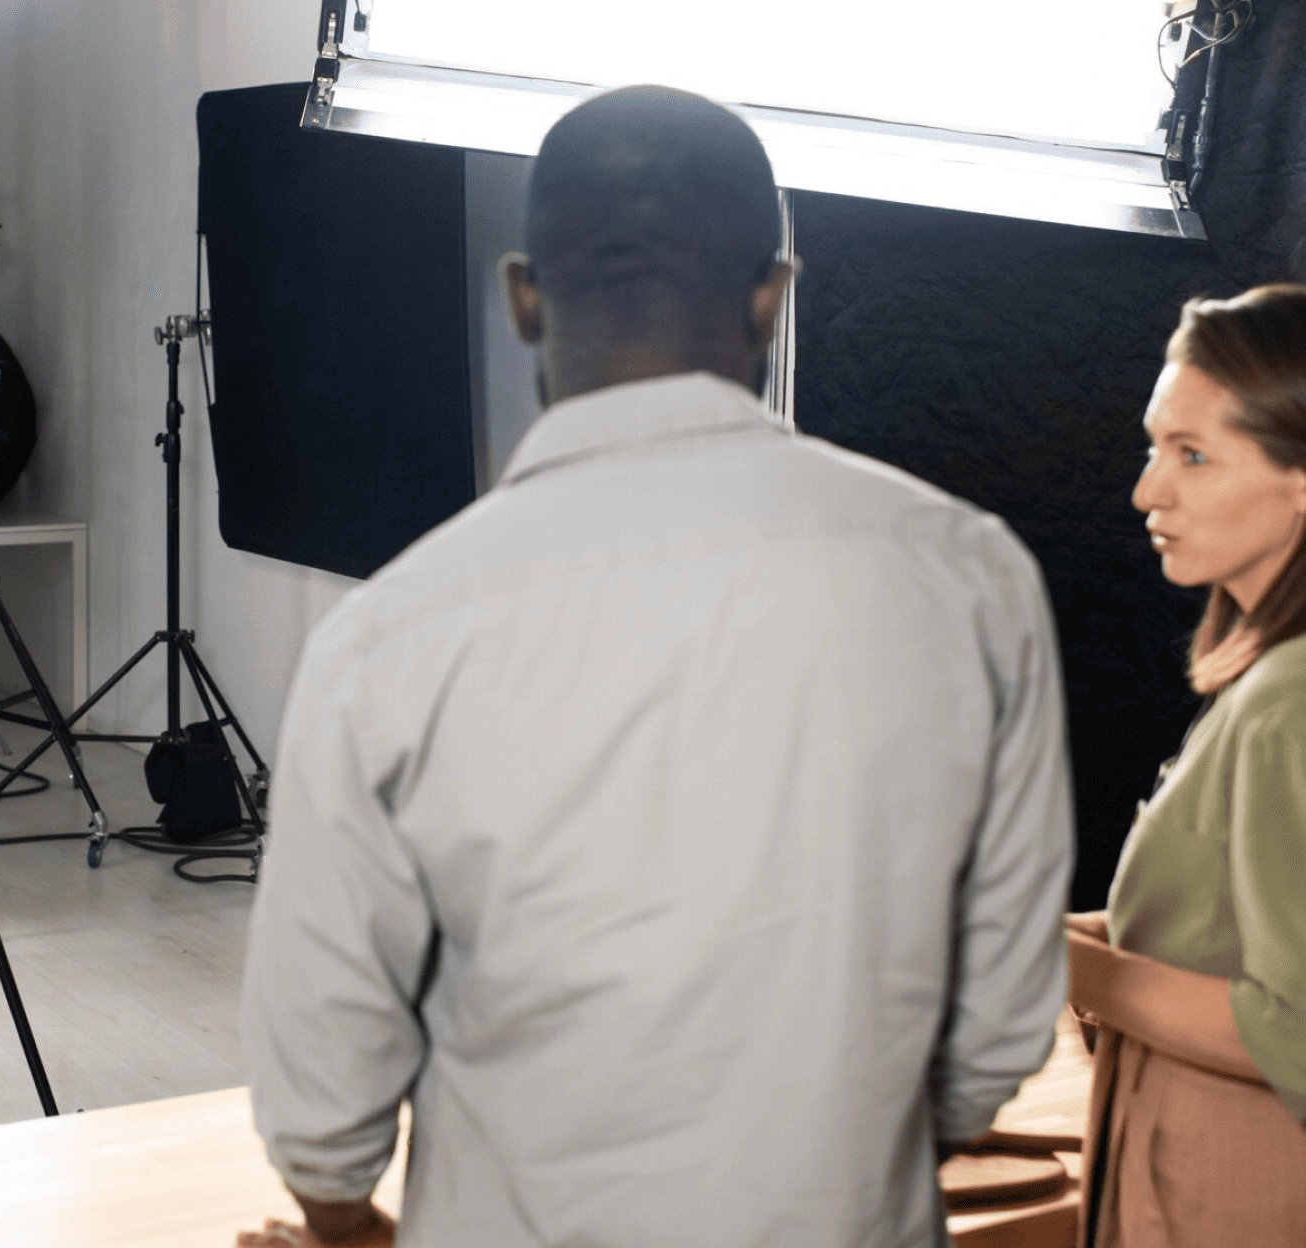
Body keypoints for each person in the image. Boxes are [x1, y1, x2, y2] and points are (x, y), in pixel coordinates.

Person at [236, 86, 1075, 1248]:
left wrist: (346, 1222)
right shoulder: (971, 578)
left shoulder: (393, 634)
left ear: (524, 297)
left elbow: (322, 1068)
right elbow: (999, 1027)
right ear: (774, 299)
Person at [1067, 284, 1306, 1248]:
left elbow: (1294, 1026)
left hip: (1240, 1196)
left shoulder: (1290, 703)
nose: (1147, 492)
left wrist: (1065, 967)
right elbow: (1226, 930)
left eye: (1193, 457)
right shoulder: (1269, 677)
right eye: (1156, 446)